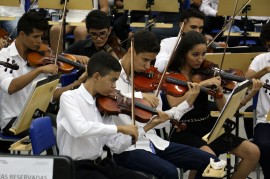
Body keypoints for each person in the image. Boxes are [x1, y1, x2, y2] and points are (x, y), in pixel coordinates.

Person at [113, 30, 226, 179]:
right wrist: (140, 95)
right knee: (170, 172)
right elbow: (112, 98)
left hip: (152, 140)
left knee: (212, 162)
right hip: (125, 146)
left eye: (151, 61)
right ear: (131, 51)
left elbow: (160, 123)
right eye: (144, 60)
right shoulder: (111, 73)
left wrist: (187, 102)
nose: (148, 67)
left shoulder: (151, 80)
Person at [57, 51, 167, 179]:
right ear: (97, 76)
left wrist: (147, 126)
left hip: (101, 164)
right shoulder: (69, 98)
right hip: (76, 168)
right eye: (113, 80)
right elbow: (81, 129)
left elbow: (116, 145)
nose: (115, 86)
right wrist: (120, 128)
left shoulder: (103, 103)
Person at [166, 30, 261, 179]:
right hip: (183, 129)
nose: (200, 59)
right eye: (195, 54)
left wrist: (220, 91)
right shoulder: (172, 76)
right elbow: (174, 105)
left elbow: (223, 109)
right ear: (184, 53)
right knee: (211, 160)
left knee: (253, 152)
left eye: (203, 54)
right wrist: (202, 84)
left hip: (208, 127)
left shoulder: (206, 72)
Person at [245, 22, 270, 179]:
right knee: (265, 145)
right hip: (266, 119)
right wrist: (264, 71)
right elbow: (246, 80)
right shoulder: (262, 59)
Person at [155, 7, 206, 73]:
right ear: (182, 25)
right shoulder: (167, 43)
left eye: (200, 28)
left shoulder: (203, 44)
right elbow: (158, 67)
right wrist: (178, 53)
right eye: (193, 27)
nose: (197, 31)